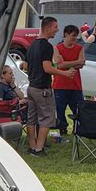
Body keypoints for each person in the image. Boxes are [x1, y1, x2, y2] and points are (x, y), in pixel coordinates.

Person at [22, 17, 74, 157]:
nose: (57, 30)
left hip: (31, 87)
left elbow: (25, 66)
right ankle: (39, 149)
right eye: (55, 27)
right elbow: (47, 68)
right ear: (47, 27)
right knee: (46, 118)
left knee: (31, 118)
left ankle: (32, 146)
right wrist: (65, 73)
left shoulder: (32, 44)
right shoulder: (46, 46)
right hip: (42, 88)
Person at [53, 25, 85, 136]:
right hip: (60, 85)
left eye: (76, 36)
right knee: (60, 109)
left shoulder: (79, 48)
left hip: (75, 85)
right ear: (66, 35)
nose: (75, 38)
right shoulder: (57, 48)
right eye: (73, 36)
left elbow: (82, 64)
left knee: (78, 109)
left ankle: (78, 129)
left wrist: (66, 63)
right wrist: (76, 61)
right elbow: (59, 65)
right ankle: (63, 128)